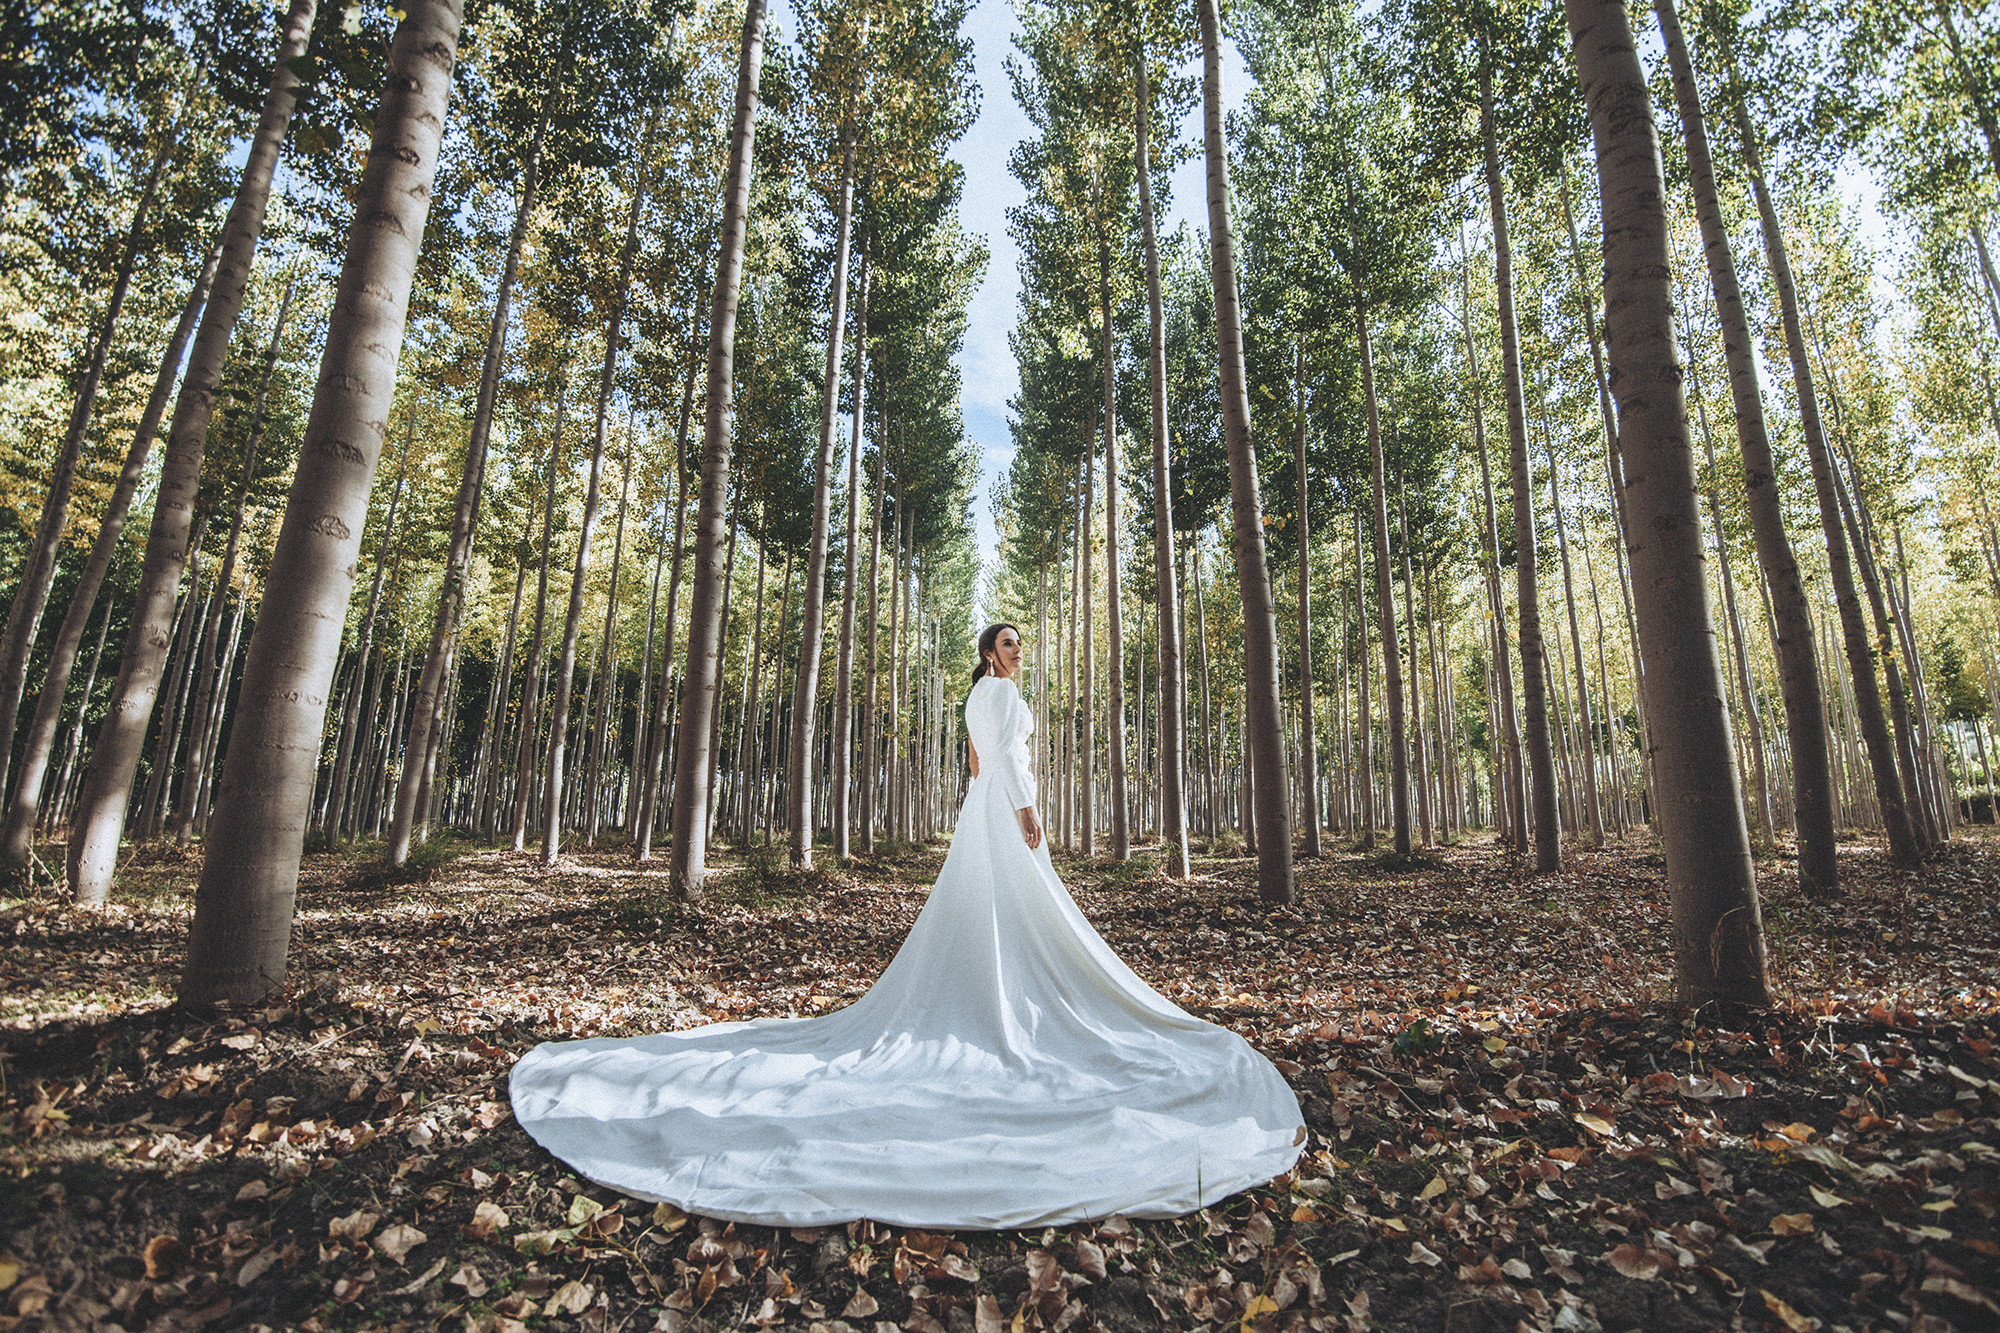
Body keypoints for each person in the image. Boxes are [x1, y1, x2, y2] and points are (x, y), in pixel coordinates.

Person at [509, 623, 1304, 1228]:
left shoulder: (974, 698)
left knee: (990, 904)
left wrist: (994, 799)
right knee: (1018, 905)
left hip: (978, 808)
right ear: (988, 654)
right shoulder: (999, 694)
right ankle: (1007, 992)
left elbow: (973, 762)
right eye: (1007, 644)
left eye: (1018, 644)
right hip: (1003, 808)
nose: (1017, 652)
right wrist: (1027, 810)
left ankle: (991, 979)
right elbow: (1006, 762)